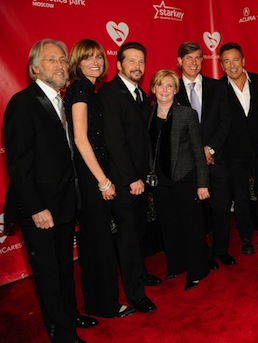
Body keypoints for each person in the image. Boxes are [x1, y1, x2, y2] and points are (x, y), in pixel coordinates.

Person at [4, 38, 97, 343]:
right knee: (48, 275)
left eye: (62, 60)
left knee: (64, 270)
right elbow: (19, 165)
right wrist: (35, 208)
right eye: (51, 60)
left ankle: (70, 316)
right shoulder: (23, 103)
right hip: (41, 209)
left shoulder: (62, 101)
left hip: (65, 202)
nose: (60, 65)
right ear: (34, 69)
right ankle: (62, 335)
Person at [64, 39, 135, 318]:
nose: (95, 62)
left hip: (93, 171)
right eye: (87, 58)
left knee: (95, 242)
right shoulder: (81, 89)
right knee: (100, 242)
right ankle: (105, 304)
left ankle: (98, 302)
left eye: (98, 57)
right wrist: (103, 181)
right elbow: (81, 140)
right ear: (77, 63)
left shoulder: (87, 90)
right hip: (91, 173)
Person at [99, 41, 159, 314]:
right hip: (125, 182)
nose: (137, 66)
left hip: (140, 179)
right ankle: (136, 293)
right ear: (119, 64)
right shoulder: (110, 93)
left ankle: (141, 273)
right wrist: (132, 178)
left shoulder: (142, 96)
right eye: (131, 61)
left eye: (141, 62)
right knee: (127, 236)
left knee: (138, 231)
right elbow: (115, 141)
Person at [147, 69, 211, 291]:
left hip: (185, 178)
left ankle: (197, 270)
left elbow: (197, 151)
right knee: (169, 225)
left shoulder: (186, 114)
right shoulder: (147, 114)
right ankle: (177, 265)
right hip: (160, 182)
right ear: (153, 89)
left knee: (192, 226)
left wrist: (202, 183)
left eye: (170, 86)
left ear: (175, 90)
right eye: (160, 85)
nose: (165, 90)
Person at [174, 42, 233, 269]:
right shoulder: (172, 88)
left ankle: (221, 250)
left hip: (215, 158)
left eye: (198, 57)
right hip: (188, 163)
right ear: (179, 61)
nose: (194, 62)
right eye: (188, 58)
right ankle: (203, 253)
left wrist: (209, 149)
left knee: (221, 207)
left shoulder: (216, 87)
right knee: (196, 212)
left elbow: (225, 122)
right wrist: (197, 153)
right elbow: (172, 129)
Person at [219, 42, 258, 252]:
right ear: (221, 65)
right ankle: (246, 238)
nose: (232, 65)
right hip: (234, 154)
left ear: (243, 61)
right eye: (226, 61)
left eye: (235, 60)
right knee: (240, 197)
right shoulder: (218, 89)